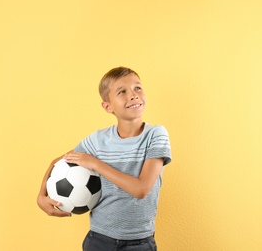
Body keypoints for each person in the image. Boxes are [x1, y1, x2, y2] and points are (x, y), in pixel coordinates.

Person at [37, 66, 172, 250]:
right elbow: (57, 162)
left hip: (139, 243)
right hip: (99, 239)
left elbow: (141, 189)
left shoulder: (156, 135)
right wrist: (41, 195)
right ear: (108, 106)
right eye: (122, 92)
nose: (133, 95)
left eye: (137, 88)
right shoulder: (97, 140)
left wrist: (95, 164)